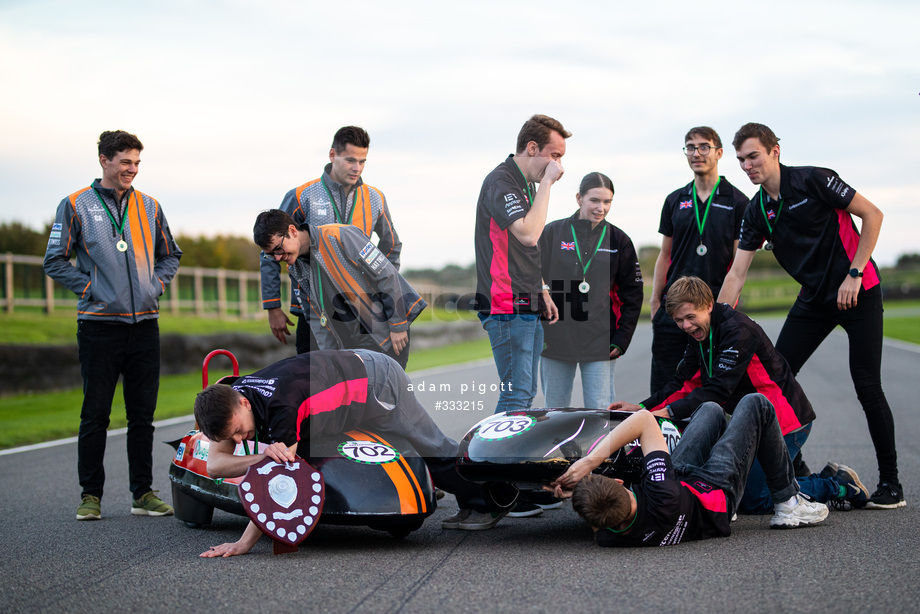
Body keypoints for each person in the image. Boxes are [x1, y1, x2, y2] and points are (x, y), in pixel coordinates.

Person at [719, 122, 904, 509]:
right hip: (814, 300)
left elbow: (873, 215)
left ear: (775, 152)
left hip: (858, 290)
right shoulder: (756, 211)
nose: (746, 165)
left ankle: (892, 484)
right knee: (774, 378)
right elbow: (737, 272)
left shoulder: (814, 180)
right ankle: (796, 469)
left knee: (867, 385)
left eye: (753, 156)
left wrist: (854, 274)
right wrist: (716, 321)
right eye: (740, 160)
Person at [196, 350, 511, 556]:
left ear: (245, 403)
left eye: (238, 431)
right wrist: (263, 456)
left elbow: (281, 483)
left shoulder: (280, 405)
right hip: (339, 393)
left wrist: (244, 543)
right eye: (231, 437)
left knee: (428, 447)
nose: (239, 438)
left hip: (376, 381)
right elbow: (215, 465)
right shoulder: (232, 397)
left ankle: (491, 498)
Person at [616, 276, 867, 513]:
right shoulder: (698, 333)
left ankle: (838, 485)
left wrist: (668, 413)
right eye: (679, 320)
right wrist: (642, 409)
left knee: (754, 500)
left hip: (786, 422)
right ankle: (816, 478)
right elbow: (682, 382)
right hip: (749, 423)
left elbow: (717, 390)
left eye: (690, 317)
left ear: (709, 305)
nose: (685, 325)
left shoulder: (738, 330)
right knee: (743, 490)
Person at [43, 130, 182, 521]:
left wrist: (155, 285)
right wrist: (89, 288)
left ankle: (143, 493)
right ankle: (91, 495)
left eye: (137, 163)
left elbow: (171, 255)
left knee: (142, 415)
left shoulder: (150, 206)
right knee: (95, 414)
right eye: (125, 162)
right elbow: (54, 260)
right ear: (104, 160)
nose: (132, 170)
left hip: (144, 325)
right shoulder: (74, 205)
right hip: (99, 325)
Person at [550, 396, 829, 547]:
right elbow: (644, 420)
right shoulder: (660, 493)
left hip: (681, 486)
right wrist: (589, 462)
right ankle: (789, 502)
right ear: (621, 482)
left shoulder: (609, 538)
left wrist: (574, 494)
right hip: (715, 493)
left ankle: (732, 432)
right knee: (756, 404)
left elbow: (597, 514)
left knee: (710, 410)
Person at [473, 114, 569, 518]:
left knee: (525, 396)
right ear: (533, 149)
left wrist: (543, 287)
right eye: (554, 155)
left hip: (526, 300)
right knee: (516, 394)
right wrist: (547, 182)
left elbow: (524, 249)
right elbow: (529, 233)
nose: (559, 166)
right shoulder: (502, 181)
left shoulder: (523, 183)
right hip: (505, 304)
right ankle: (486, 488)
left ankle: (515, 484)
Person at [260, 126, 401, 354]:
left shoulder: (375, 198)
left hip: (360, 311)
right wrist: (272, 306)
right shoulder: (301, 195)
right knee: (314, 384)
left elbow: (392, 245)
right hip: (313, 310)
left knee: (361, 383)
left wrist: (382, 290)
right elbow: (270, 250)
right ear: (332, 155)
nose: (357, 168)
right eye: (350, 160)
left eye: (362, 161)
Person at [254, 210, 423, 369]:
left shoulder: (342, 235)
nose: (278, 257)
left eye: (278, 248)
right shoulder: (295, 268)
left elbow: (386, 275)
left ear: (292, 231)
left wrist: (398, 324)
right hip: (350, 344)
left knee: (388, 396)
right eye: (271, 255)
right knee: (360, 399)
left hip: (385, 333)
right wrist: (329, 356)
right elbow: (314, 314)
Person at [649, 127, 749, 394]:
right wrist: (656, 301)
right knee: (663, 389)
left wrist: (723, 310)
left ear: (719, 153)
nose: (696, 153)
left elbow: (740, 264)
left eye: (704, 147)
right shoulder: (675, 200)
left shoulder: (739, 202)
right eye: (690, 147)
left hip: (710, 310)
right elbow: (665, 255)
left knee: (711, 389)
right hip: (672, 311)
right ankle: (661, 436)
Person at [538, 172, 643, 408]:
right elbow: (532, 275)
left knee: (600, 411)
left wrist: (621, 340)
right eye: (594, 200)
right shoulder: (553, 233)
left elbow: (633, 295)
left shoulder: (619, 240)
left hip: (600, 341)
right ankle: (559, 447)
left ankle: (602, 447)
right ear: (579, 198)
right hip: (555, 339)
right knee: (555, 411)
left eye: (607, 202)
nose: (601, 208)